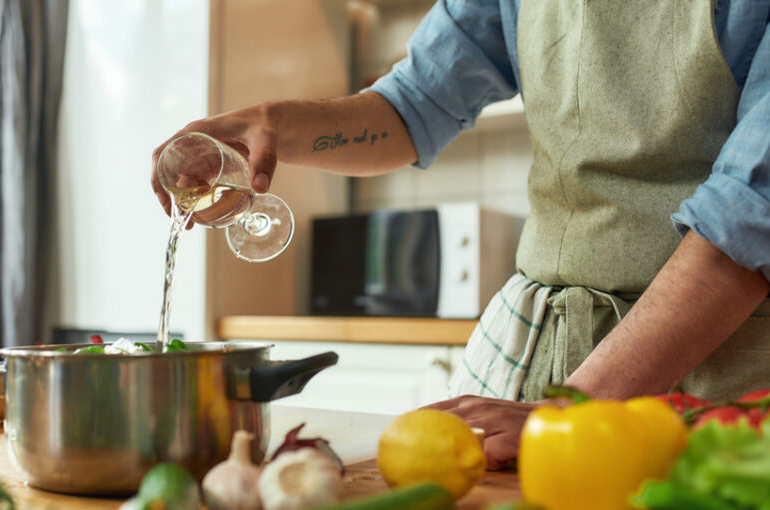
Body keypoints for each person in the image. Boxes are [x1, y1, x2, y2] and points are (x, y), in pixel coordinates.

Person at [152, 0, 770, 469]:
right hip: (547, 358)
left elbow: (748, 213)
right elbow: (414, 102)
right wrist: (274, 126)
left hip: (711, 370)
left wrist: (567, 412)